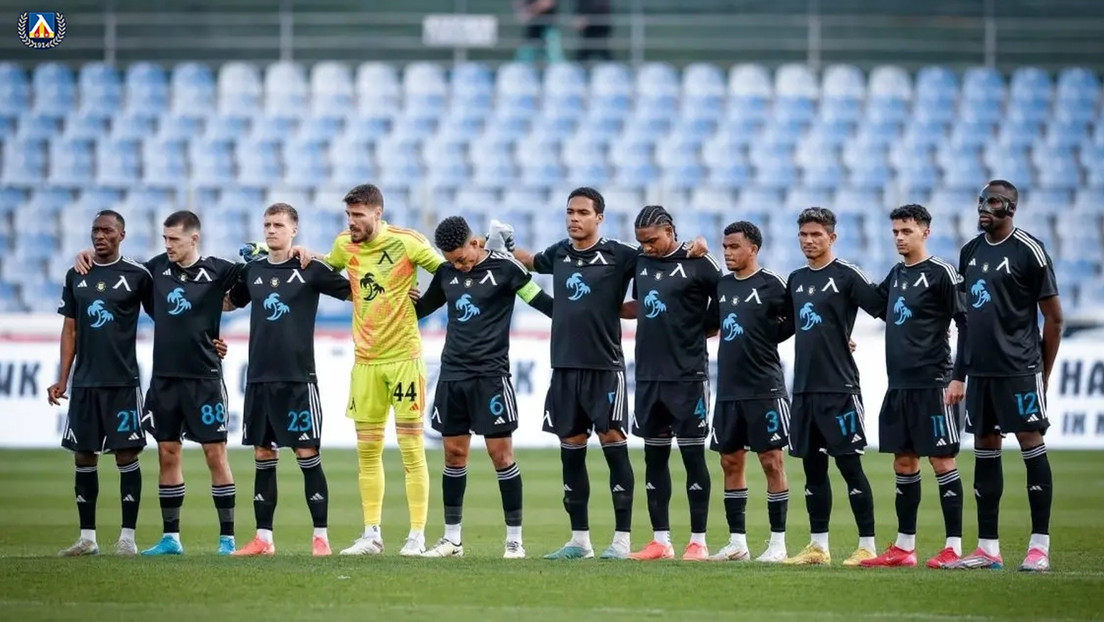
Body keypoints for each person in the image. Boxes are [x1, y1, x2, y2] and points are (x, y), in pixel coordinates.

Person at [75, 210, 249, 555]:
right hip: (165, 379)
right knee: (168, 453)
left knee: (216, 454)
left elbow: (251, 284)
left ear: (193, 239)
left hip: (205, 378)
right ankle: (172, 538)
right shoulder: (153, 270)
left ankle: (227, 539)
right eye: (164, 239)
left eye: (174, 240)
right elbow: (114, 271)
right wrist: (87, 257)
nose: (167, 245)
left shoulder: (219, 270)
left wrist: (295, 251)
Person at [291, 184, 445, 556]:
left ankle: (416, 536)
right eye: (349, 215)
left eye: (358, 215)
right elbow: (328, 267)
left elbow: (448, 274)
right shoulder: (346, 244)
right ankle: (372, 534)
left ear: (378, 213)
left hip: (404, 359)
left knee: (411, 450)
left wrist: (424, 304)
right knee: (367, 453)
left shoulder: (407, 243)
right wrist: (304, 253)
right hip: (365, 363)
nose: (352, 222)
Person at [499, 187, 638, 559]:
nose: (574, 218)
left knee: (613, 444)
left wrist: (629, 308)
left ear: (599, 218)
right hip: (564, 368)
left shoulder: (621, 255)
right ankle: (580, 541)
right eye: (570, 212)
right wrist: (505, 248)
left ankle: (622, 541)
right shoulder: (559, 251)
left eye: (582, 212)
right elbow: (531, 261)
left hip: (605, 368)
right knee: (571, 451)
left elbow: (658, 271)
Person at [412, 216, 553, 559]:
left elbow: (544, 304)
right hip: (453, 376)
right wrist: (401, 298)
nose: (458, 266)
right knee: (453, 455)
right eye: (451, 261)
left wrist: (583, 313)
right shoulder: (446, 275)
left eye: (461, 258)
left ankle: (515, 541)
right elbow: (422, 309)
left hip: (491, 377)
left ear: (475, 243)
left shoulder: (508, 271)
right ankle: (452, 540)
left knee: (501, 456)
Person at [223, 203, 351, 557]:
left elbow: (354, 291)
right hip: (260, 378)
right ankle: (263, 538)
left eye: (278, 224)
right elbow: (229, 304)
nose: (271, 230)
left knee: (306, 452)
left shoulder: (309, 268)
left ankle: (321, 537)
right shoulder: (253, 271)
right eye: (267, 224)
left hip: (298, 379)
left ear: (294, 230)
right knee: (264, 454)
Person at [948, 180, 1063, 572]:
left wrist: (1041, 373)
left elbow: (1054, 319)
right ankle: (987, 548)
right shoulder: (970, 252)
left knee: (1032, 445)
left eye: (993, 202)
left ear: (1010, 207)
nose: (983, 207)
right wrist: (960, 373)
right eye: (981, 200)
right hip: (981, 372)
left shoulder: (1029, 251)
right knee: (985, 450)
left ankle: (1039, 546)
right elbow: (966, 321)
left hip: (1019, 369)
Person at [859, 204, 968, 569]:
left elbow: (965, 323)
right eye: (895, 232)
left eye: (906, 231)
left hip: (933, 384)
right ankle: (905, 548)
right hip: (899, 385)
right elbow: (876, 306)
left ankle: (953, 546)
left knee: (942, 459)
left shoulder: (941, 274)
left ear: (925, 232)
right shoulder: (897, 274)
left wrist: (958, 376)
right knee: (903, 462)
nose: (899, 238)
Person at [782, 207, 884, 566]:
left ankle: (868, 546)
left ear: (832, 238)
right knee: (812, 469)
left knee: (849, 466)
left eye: (816, 235)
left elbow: (885, 308)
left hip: (839, 388)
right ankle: (818, 547)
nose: (809, 241)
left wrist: (846, 336)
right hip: (804, 389)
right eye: (804, 235)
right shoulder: (795, 280)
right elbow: (784, 325)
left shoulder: (847, 276)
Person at [619, 206, 722, 561]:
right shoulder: (641, 262)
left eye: (652, 240)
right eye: (641, 242)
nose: (646, 247)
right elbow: (646, 302)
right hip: (648, 375)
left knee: (694, 456)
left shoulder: (699, 262)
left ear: (670, 231)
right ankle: (660, 541)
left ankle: (698, 541)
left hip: (687, 375)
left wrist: (705, 327)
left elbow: (727, 298)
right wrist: (606, 308)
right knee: (654, 458)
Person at [50, 210, 153, 556]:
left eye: (107, 230)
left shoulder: (138, 276)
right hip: (86, 384)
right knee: (83, 456)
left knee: (127, 454)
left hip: (123, 382)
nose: (99, 236)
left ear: (122, 235)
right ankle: (87, 538)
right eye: (95, 230)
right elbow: (71, 329)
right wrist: (62, 378)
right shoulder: (76, 274)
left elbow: (168, 316)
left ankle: (127, 538)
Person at [708, 221, 792, 563]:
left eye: (734, 247)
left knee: (772, 461)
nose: (727, 252)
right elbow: (712, 324)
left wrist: (766, 337)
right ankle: (737, 542)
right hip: (729, 388)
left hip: (764, 387)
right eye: (724, 247)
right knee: (730, 461)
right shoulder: (723, 286)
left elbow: (799, 319)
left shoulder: (772, 284)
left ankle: (778, 544)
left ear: (752, 249)